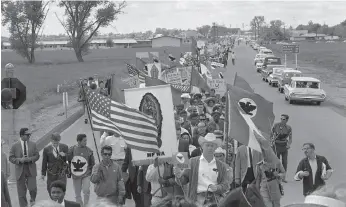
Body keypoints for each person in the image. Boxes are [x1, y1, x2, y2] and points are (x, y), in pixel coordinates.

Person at [173, 133, 230, 205]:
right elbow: (183, 181)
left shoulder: (221, 165)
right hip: (196, 200)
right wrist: (178, 175)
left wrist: (217, 188)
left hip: (214, 201)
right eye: (207, 145)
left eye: (212, 145)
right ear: (202, 146)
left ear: (215, 147)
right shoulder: (192, 161)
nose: (210, 148)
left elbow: (226, 185)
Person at [9, 128, 39, 207]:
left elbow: (37, 156)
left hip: (31, 170)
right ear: (22, 135)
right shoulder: (14, 146)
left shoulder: (33, 144)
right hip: (20, 171)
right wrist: (20, 160)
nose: (29, 136)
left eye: (30, 134)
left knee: (33, 188)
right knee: (21, 193)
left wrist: (30, 159)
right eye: (27, 134)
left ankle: (32, 200)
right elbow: (11, 157)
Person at [68, 134, 95, 207]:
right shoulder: (72, 149)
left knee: (86, 190)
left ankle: (86, 205)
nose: (86, 142)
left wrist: (91, 172)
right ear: (79, 141)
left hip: (86, 174)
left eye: (86, 140)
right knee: (77, 194)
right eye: (84, 140)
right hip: (76, 175)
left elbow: (92, 163)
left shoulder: (89, 150)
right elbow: (68, 160)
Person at [271, 114, 292, 182]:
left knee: (284, 162)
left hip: (284, 146)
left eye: (283, 119)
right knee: (276, 161)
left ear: (286, 120)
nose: (282, 120)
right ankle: (276, 176)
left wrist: (288, 144)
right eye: (281, 119)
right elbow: (271, 134)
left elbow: (290, 138)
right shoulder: (276, 125)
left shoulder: (288, 128)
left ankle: (283, 177)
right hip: (277, 145)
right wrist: (271, 140)